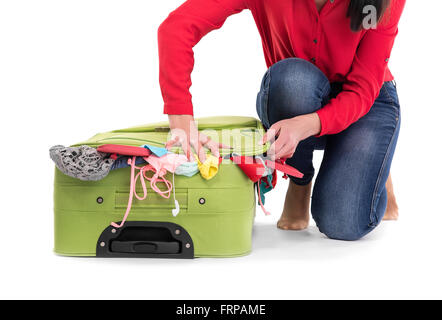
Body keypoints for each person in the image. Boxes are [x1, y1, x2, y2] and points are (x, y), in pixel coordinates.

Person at [158, 0, 406, 240]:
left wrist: (305, 125)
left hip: (366, 101)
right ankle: (300, 179)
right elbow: (177, 28)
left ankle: (374, 165)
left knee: (343, 223)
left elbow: (362, 89)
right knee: (294, 82)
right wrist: (181, 121)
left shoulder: (380, 3)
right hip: (296, 94)